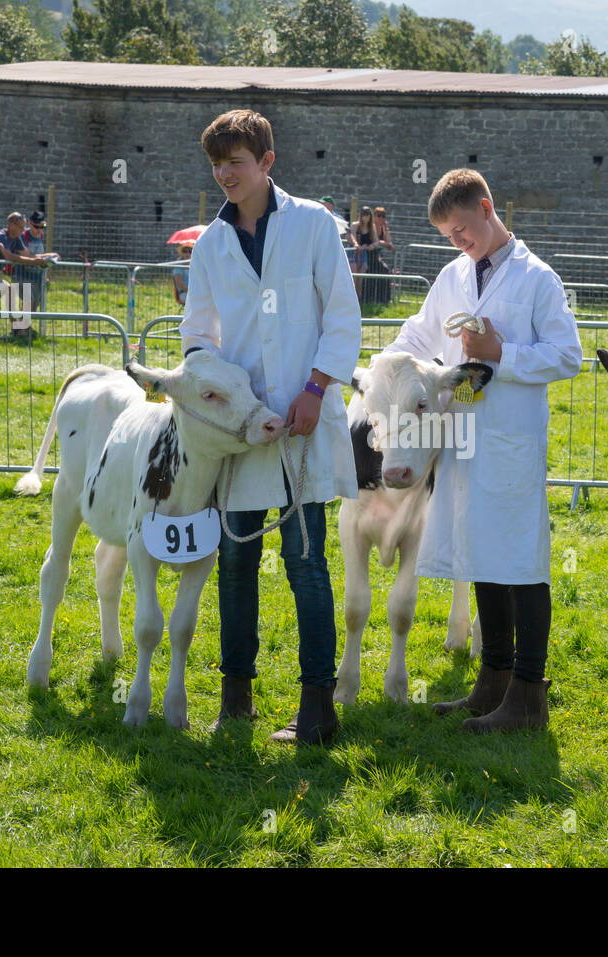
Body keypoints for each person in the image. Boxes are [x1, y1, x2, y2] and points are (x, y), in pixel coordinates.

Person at [378, 168, 583, 733]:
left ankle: (528, 693)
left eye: (462, 228)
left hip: (511, 439)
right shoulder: (452, 275)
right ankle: (492, 679)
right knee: (480, 552)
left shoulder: (537, 278)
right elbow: (418, 336)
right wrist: (381, 369)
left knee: (521, 559)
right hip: (462, 440)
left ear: (488, 208)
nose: (458, 241)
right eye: (448, 234)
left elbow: (568, 356)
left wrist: (502, 354)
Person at [180, 109, 361, 745]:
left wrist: (316, 387)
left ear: (267, 162)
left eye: (237, 161)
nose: (226, 174)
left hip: (305, 423)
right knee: (235, 559)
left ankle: (318, 710)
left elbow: (342, 315)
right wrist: (222, 401)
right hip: (242, 431)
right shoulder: (210, 242)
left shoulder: (313, 225)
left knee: (306, 561)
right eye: (217, 164)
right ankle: (236, 701)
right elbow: (198, 336)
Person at [0, 212, 53, 341]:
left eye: (24, 228)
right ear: (11, 225)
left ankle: (16, 327)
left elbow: (27, 255)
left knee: (4, 294)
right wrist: (34, 262)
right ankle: (17, 328)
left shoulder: (16, 238)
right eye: (21, 227)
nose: (23, 231)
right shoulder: (0, 236)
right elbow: (10, 257)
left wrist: (48, 256)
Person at [362, 206, 394, 306]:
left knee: (385, 271)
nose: (381, 218)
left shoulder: (382, 228)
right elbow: (377, 242)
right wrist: (382, 243)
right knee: (370, 274)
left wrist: (386, 228)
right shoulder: (370, 227)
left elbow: (390, 243)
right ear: (374, 216)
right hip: (367, 256)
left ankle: (384, 299)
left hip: (376, 257)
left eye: (383, 216)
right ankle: (367, 300)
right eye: (379, 215)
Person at [347, 206, 376, 299]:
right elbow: (352, 236)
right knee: (353, 278)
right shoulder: (355, 225)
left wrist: (371, 246)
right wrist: (356, 244)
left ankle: (358, 302)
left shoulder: (371, 227)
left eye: (367, 215)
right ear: (361, 215)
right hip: (353, 253)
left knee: (360, 281)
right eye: (364, 215)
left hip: (363, 254)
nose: (365, 217)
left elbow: (376, 241)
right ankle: (350, 301)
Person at [171, 242, 192, 307]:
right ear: (182, 253)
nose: (187, 253)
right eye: (185, 251)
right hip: (184, 293)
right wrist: (192, 292)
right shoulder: (178, 267)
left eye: (190, 251)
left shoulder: (196, 266)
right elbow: (179, 283)